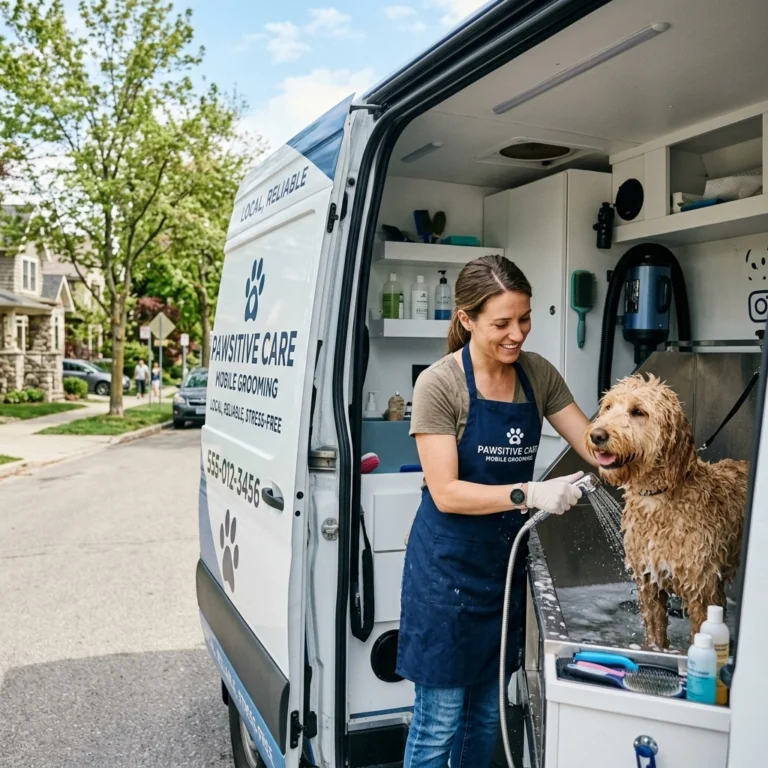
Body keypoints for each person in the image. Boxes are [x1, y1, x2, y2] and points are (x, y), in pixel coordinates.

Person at [397, 255, 598, 768]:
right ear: (466, 319)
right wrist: (530, 493)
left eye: (524, 319)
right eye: (502, 323)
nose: (517, 334)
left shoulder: (537, 375)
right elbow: (446, 492)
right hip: (446, 574)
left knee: (486, 719)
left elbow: (595, 446)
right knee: (440, 721)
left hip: (502, 568)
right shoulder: (439, 384)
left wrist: (640, 453)